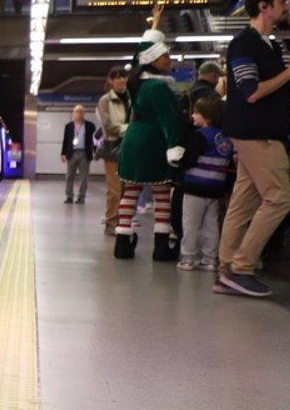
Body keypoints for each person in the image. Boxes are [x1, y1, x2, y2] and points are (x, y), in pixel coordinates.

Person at [217, 0, 290, 298]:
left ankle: (225, 270)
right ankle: (240, 267)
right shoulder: (244, 44)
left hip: (262, 132)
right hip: (256, 134)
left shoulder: (270, 45)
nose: (287, 6)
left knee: (243, 202)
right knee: (280, 199)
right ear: (264, 6)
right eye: (282, 1)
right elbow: (251, 93)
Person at [115, 32, 181, 261]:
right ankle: (161, 247)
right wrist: (174, 145)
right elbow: (168, 119)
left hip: (133, 140)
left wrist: (153, 28)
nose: (169, 59)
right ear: (152, 60)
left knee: (130, 192)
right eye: (165, 55)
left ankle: (122, 243)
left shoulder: (136, 83)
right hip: (153, 141)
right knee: (162, 194)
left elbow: (137, 57)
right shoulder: (158, 87)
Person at [172, 95, 234, 270]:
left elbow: (189, 160)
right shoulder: (224, 138)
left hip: (195, 188)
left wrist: (178, 161)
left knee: (190, 224)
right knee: (211, 225)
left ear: (207, 116)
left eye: (196, 113)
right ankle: (210, 259)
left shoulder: (198, 136)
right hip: (216, 188)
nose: (192, 115)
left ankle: (188, 258)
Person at [96, 67, 131, 235]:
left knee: (127, 188)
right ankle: (111, 221)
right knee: (115, 188)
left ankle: (124, 220)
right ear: (110, 81)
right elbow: (108, 126)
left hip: (130, 146)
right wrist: (131, 129)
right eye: (117, 78)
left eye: (123, 77)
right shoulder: (105, 101)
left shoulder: (132, 98)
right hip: (113, 148)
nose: (121, 81)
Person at [61, 105, 97, 203]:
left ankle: (81, 197)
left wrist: (96, 152)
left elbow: (95, 141)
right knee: (69, 176)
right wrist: (63, 153)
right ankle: (69, 196)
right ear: (73, 113)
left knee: (84, 177)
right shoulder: (68, 126)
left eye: (81, 111)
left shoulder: (90, 126)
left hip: (85, 154)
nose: (79, 113)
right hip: (71, 153)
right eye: (77, 111)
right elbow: (65, 140)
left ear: (84, 113)